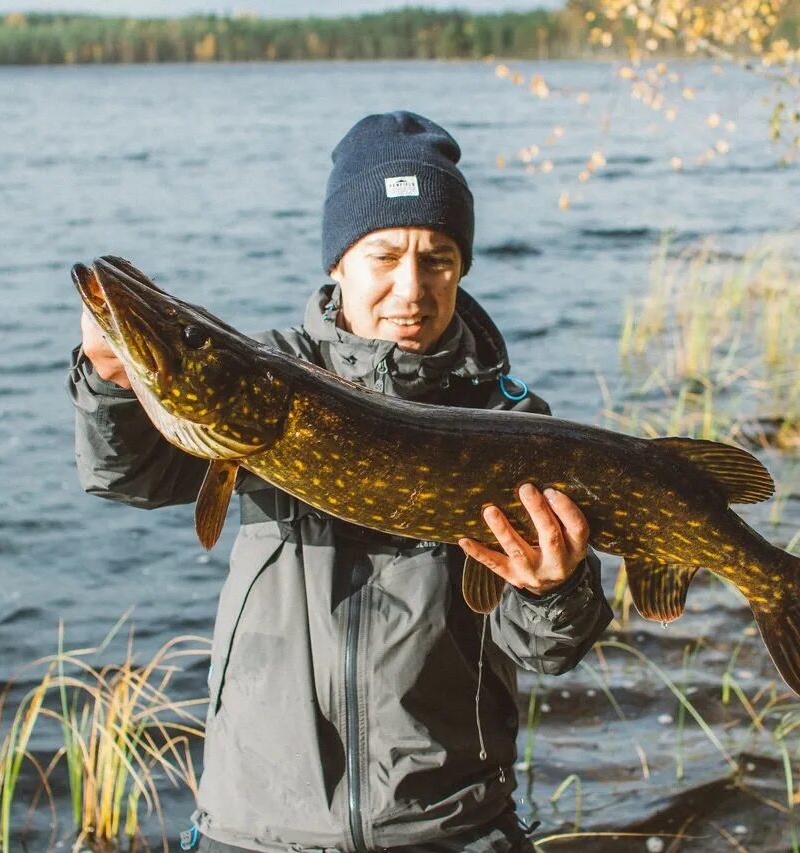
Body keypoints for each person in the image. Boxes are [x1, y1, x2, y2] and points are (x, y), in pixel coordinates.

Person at [68, 111, 614, 853]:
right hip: (256, 822)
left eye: (439, 258)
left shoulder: (507, 422)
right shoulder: (263, 376)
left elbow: (545, 649)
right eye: (384, 255)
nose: (411, 288)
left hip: (449, 826)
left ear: (462, 266)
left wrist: (555, 589)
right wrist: (111, 381)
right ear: (339, 262)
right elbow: (125, 473)